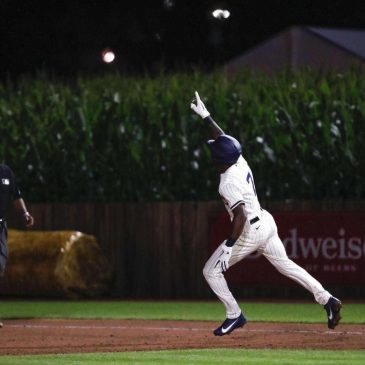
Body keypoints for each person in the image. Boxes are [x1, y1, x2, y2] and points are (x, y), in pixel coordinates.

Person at [190, 91, 342, 336]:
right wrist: (206, 116)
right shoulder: (239, 160)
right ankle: (328, 300)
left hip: (249, 230)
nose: (212, 152)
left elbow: (239, 216)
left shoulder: (227, 181)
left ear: (220, 160)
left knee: (211, 270)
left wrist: (229, 245)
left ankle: (234, 314)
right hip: (266, 222)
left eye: (214, 153)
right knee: (286, 265)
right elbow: (224, 141)